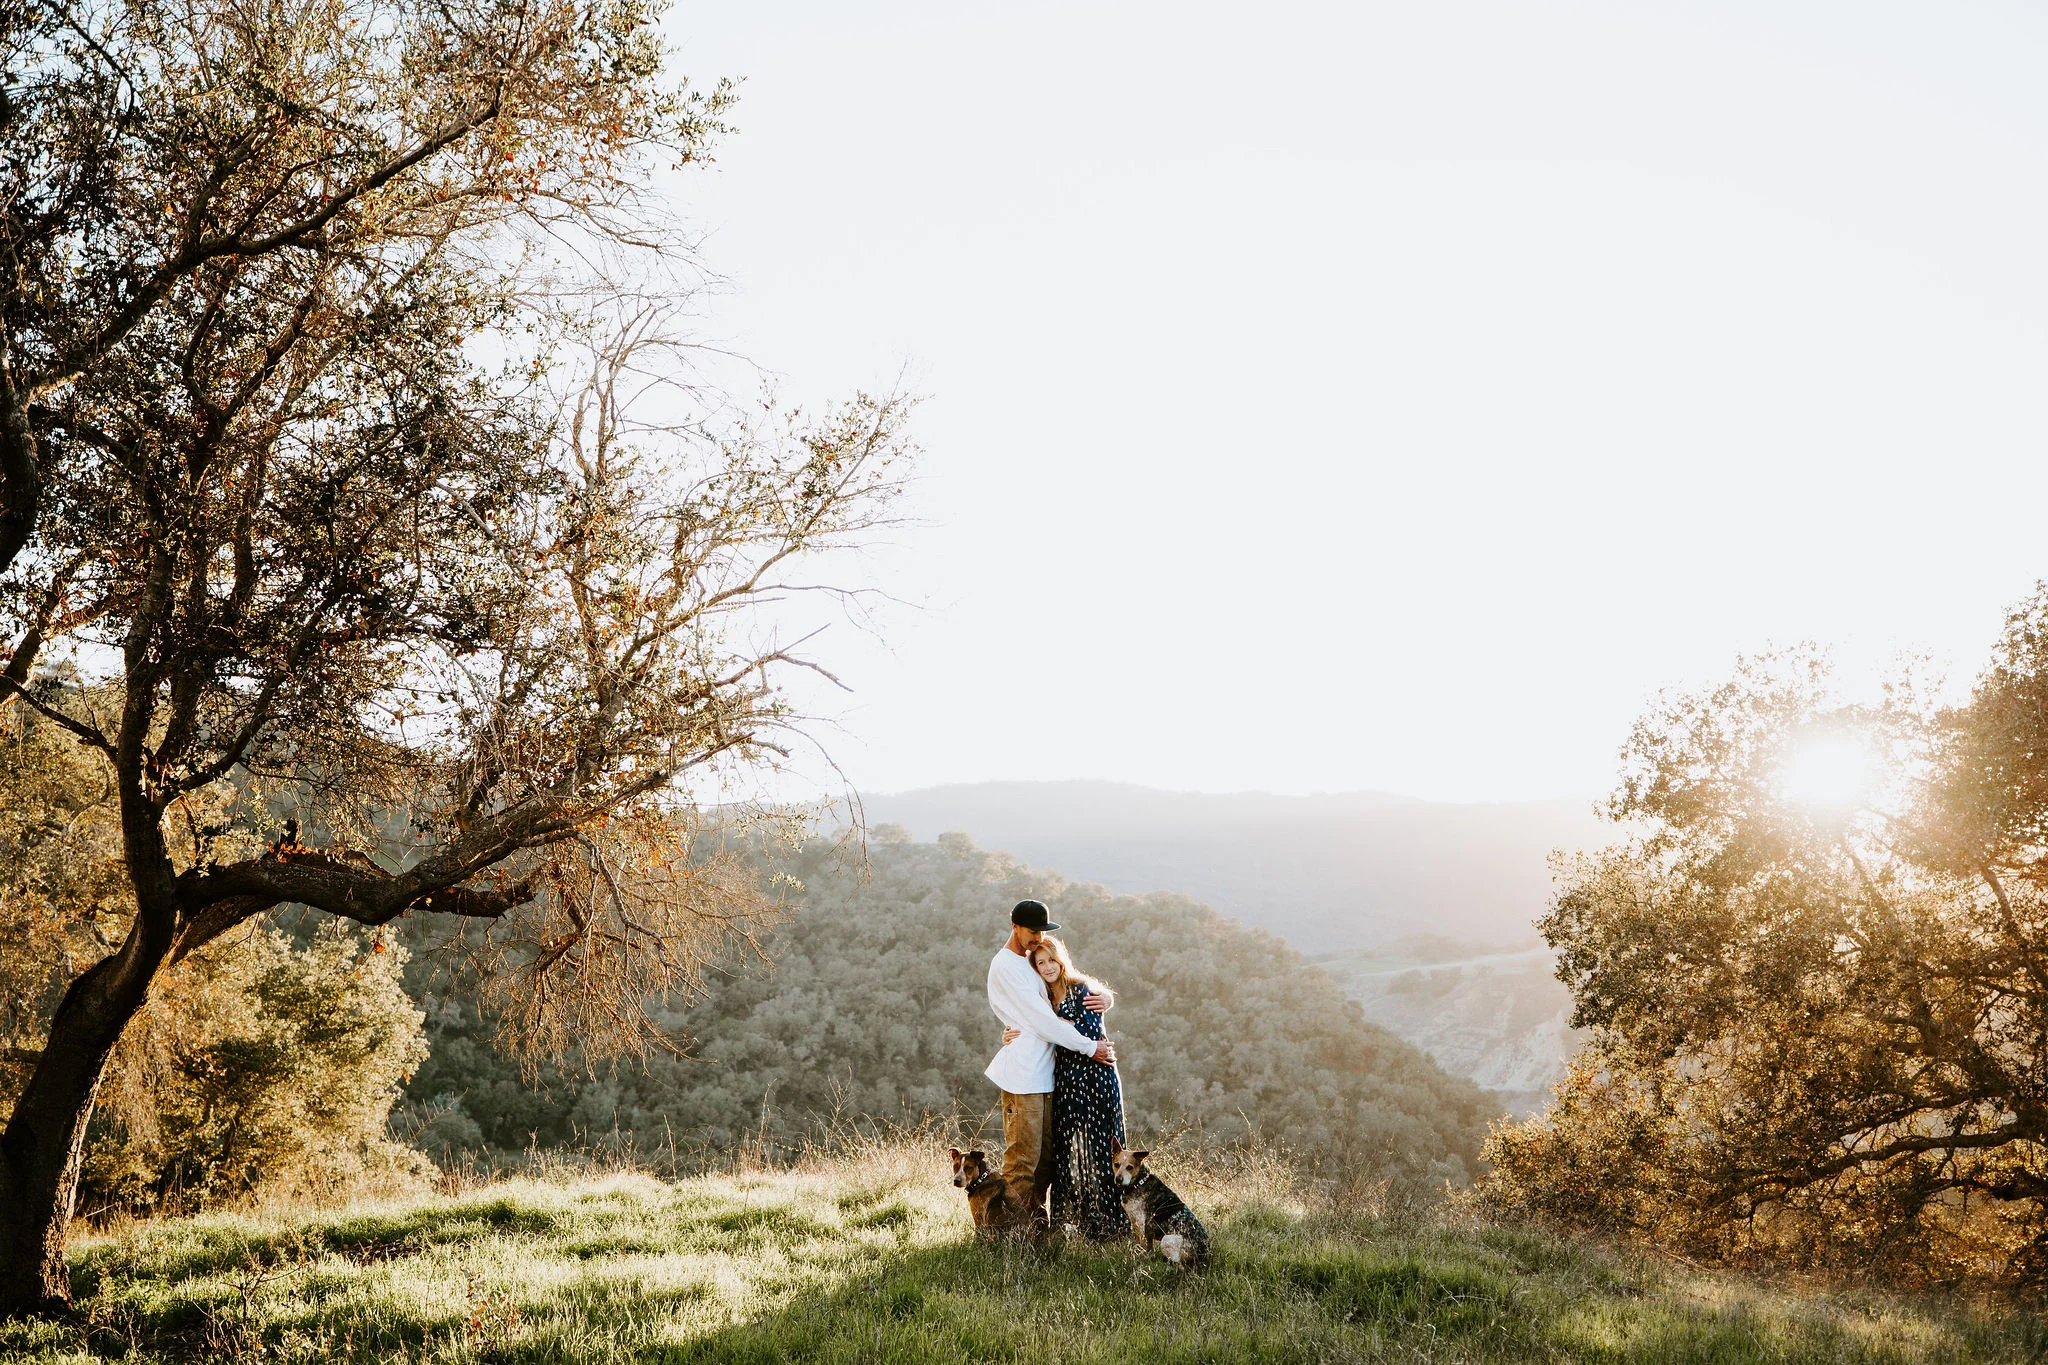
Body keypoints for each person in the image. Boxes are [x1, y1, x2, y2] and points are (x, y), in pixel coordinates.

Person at [984, 899, 1114, 1232]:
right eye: (1032, 931)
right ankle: (1001, 1236)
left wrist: (1105, 996)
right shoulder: (1004, 965)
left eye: (1042, 931)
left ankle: (1032, 1229)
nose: (1037, 938)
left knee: (1044, 1164)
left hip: (1047, 1076)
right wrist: (1090, 1047)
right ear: (1014, 927)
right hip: (1024, 1077)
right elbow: (1042, 1020)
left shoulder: (1029, 960)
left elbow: (1061, 983)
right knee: (1022, 1163)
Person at [1023, 934, 1129, 1241]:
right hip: (1066, 1081)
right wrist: (1018, 1030)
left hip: (1096, 1077)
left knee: (1101, 1149)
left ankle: (1111, 1228)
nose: (1047, 967)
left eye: (1051, 960)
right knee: (1067, 1153)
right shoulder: (1041, 995)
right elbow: (1033, 1026)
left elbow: (1091, 1034)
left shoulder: (1080, 988)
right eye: (1040, 963)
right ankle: (1072, 1226)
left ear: (1061, 960)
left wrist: (1057, 1028)